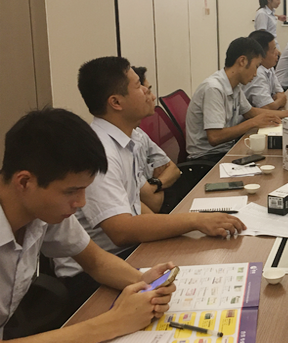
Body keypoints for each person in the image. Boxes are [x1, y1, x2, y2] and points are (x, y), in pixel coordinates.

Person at [53, 57, 246, 285]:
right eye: (139, 86)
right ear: (116, 102)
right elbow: (121, 231)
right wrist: (194, 221)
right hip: (94, 272)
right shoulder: (101, 151)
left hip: (127, 253)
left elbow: (135, 206)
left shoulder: (130, 138)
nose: (148, 92)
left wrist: (183, 226)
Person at [0, 108, 176, 341]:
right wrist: (113, 322)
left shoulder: (43, 211)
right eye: (71, 191)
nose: (81, 202)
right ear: (24, 182)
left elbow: (95, 261)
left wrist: (143, 283)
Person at [187, 37, 288, 161]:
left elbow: (250, 112)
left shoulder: (234, 85)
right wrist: (253, 123)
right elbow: (215, 137)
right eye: (256, 66)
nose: (255, 74)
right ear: (242, 61)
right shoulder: (214, 88)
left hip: (227, 148)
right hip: (208, 158)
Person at [131, 66, 182, 213]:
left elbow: (174, 170)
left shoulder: (138, 133)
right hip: (157, 213)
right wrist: (162, 183)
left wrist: (155, 184)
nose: (153, 97)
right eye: (147, 92)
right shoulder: (115, 148)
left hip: (166, 203)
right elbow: (154, 204)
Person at [245, 30, 288, 110]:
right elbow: (267, 107)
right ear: (261, 55)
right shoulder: (257, 73)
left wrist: (276, 101)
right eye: (273, 50)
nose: (277, 53)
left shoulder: (268, 67)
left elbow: (281, 94)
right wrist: (278, 101)